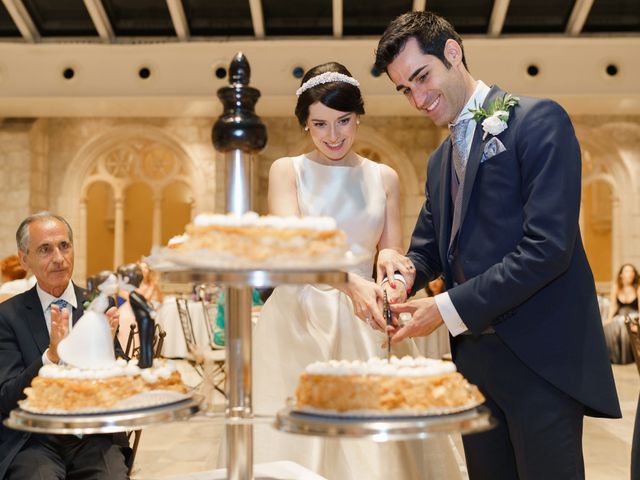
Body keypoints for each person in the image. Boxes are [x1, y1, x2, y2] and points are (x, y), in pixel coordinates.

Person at [373, 11, 620, 480]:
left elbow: (547, 248)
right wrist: (402, 275)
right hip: (474, 366)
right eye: (405, 89)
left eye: (422, 78)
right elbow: (429, 250)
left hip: (541, 360)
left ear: (452, 52)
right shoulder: (439, 160)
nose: (418, 98)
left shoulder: (539, 121)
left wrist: (445, 309)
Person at [248, 63, 462, 479]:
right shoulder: (287, 171)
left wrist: (389, 263)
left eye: (343, 121)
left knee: (373, 449)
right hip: (299, 321)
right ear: (305, 125)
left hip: (367, 319)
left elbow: (394, 249)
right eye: (320, 123)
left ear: (358, 117)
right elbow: (294, 249)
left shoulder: (384, 176)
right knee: (296, 440)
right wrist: (350, 284)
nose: (334, 135)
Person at [0, 212, 130, 479]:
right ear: (25, 259)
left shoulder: (98, 305)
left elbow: (124, 389)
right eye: (45, 249)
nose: (58, 258)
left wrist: (106, 352)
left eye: (64, 246)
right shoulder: (8, 316)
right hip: (33, 440)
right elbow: (6, 397)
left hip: (93, 436)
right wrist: (50, 357)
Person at [603, 263, 639, 364]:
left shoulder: (638, 287)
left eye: (632, 271)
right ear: (621, 274)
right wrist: (609, 319)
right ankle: (615, 357)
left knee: (624, 324)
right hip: (620, 315)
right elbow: (613, 306)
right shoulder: (616, 287)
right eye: (627, 271)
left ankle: (627, 358)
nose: (630, 274)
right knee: (610, 326)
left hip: (634, 316)